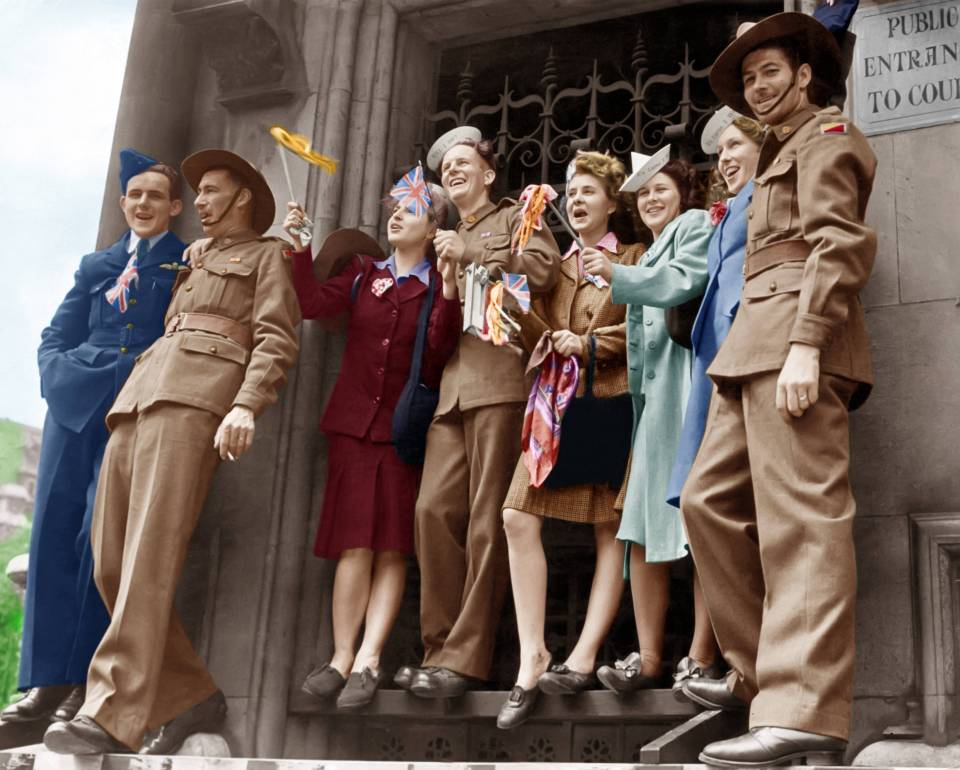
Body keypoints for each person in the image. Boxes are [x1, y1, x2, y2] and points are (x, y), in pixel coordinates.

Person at [43, 149, 301, 754]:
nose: (202, 202)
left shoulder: (267, 256)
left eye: (212, 191)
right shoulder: (192, 257)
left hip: (197, 403)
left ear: (243, 197)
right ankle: (190, 696)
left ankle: (112, 712)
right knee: (108, 561)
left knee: (149, 559)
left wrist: (245, 404)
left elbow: (277, 338)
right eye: (200, 192)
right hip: (139, 399)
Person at [678, 12, 877, 766]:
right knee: (706, 502)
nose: (758, 87)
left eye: (771, 72)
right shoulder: (774, 153)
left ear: (805, 75)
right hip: (748, 348)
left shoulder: (828, 139)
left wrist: (805, 344)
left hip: (796, 342)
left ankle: (805, 710)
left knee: (803, 519)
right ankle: (766, 676)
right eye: (749, 77)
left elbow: (840, 244)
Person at [6, 150, 186, 726]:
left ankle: (87, 681)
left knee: (98, 539)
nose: (143, 204)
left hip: (131, 408)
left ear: (174, 207)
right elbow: (55, 333)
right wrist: (56, 374)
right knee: (53, 535)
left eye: (155, 196)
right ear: (122, 202)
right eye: (135, 195)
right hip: (71, 407)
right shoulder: (96, 264)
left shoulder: (185, 261)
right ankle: (42, 685)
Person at [285, 177, 460, 711]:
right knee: (353, 545)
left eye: (412, 210)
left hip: (401, 430)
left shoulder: (434, 285)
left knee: (391, 547)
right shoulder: (364, 274)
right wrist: (299, 249)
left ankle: (369, 659)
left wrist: (450, 290)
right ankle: (340, 657)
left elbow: (437, 353)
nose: (396, 215)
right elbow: (312, 303)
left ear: (434, 228)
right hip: (352, 428)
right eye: (394, 207)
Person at [399, 127, 561, 699]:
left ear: (489, 175)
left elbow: (543, 273)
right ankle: (437, 646)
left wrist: (476, 255)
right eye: (447, 167)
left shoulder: (518, 216)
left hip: (500, 382)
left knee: (487, 521)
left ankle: (465, 659)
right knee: (432, 513)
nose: (455, 171)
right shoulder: (444, 233)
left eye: (465, 163)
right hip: (453, 390)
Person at [496, 151, 642, 728]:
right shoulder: (553, 267)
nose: (576, 199)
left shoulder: (634, 258)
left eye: (587, 191)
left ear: (611, 201)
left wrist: (590, 346)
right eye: (570, 192)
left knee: (610, 527)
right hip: (551, 406)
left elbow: (644, 329)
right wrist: (511, 310)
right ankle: (533, 653)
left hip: (608, 399)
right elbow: (538, 333)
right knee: (516, 515)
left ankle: (582, 656)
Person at [581, 147, 713, 695]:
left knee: (700, 524)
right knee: (638, 530)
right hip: (654, 402)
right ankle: (652, 656)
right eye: (645, 192)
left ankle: (702, 656)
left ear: (683, 190)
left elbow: (685, 281)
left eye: (662, 187)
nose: (653, 198)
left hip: (688, 390)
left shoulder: (696, 225)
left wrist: (619, 273)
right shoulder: (656, 245)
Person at [666, 108, 764, 512]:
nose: (723, 158)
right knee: (704, 499)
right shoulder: (728, 208)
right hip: (717, 357)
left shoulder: (771, 192)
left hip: (751, 351)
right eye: (720, 151)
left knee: (724, 498)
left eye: (735, 144)